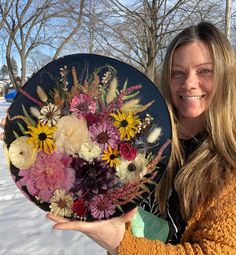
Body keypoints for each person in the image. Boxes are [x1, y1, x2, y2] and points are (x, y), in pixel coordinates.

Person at [4, 21, 236, 254]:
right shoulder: (144, 138)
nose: (189, 83)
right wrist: (28, 136)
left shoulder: (230, 163)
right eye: (178, 72)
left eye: (205, 70)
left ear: (226, 75)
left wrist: (119, 242)